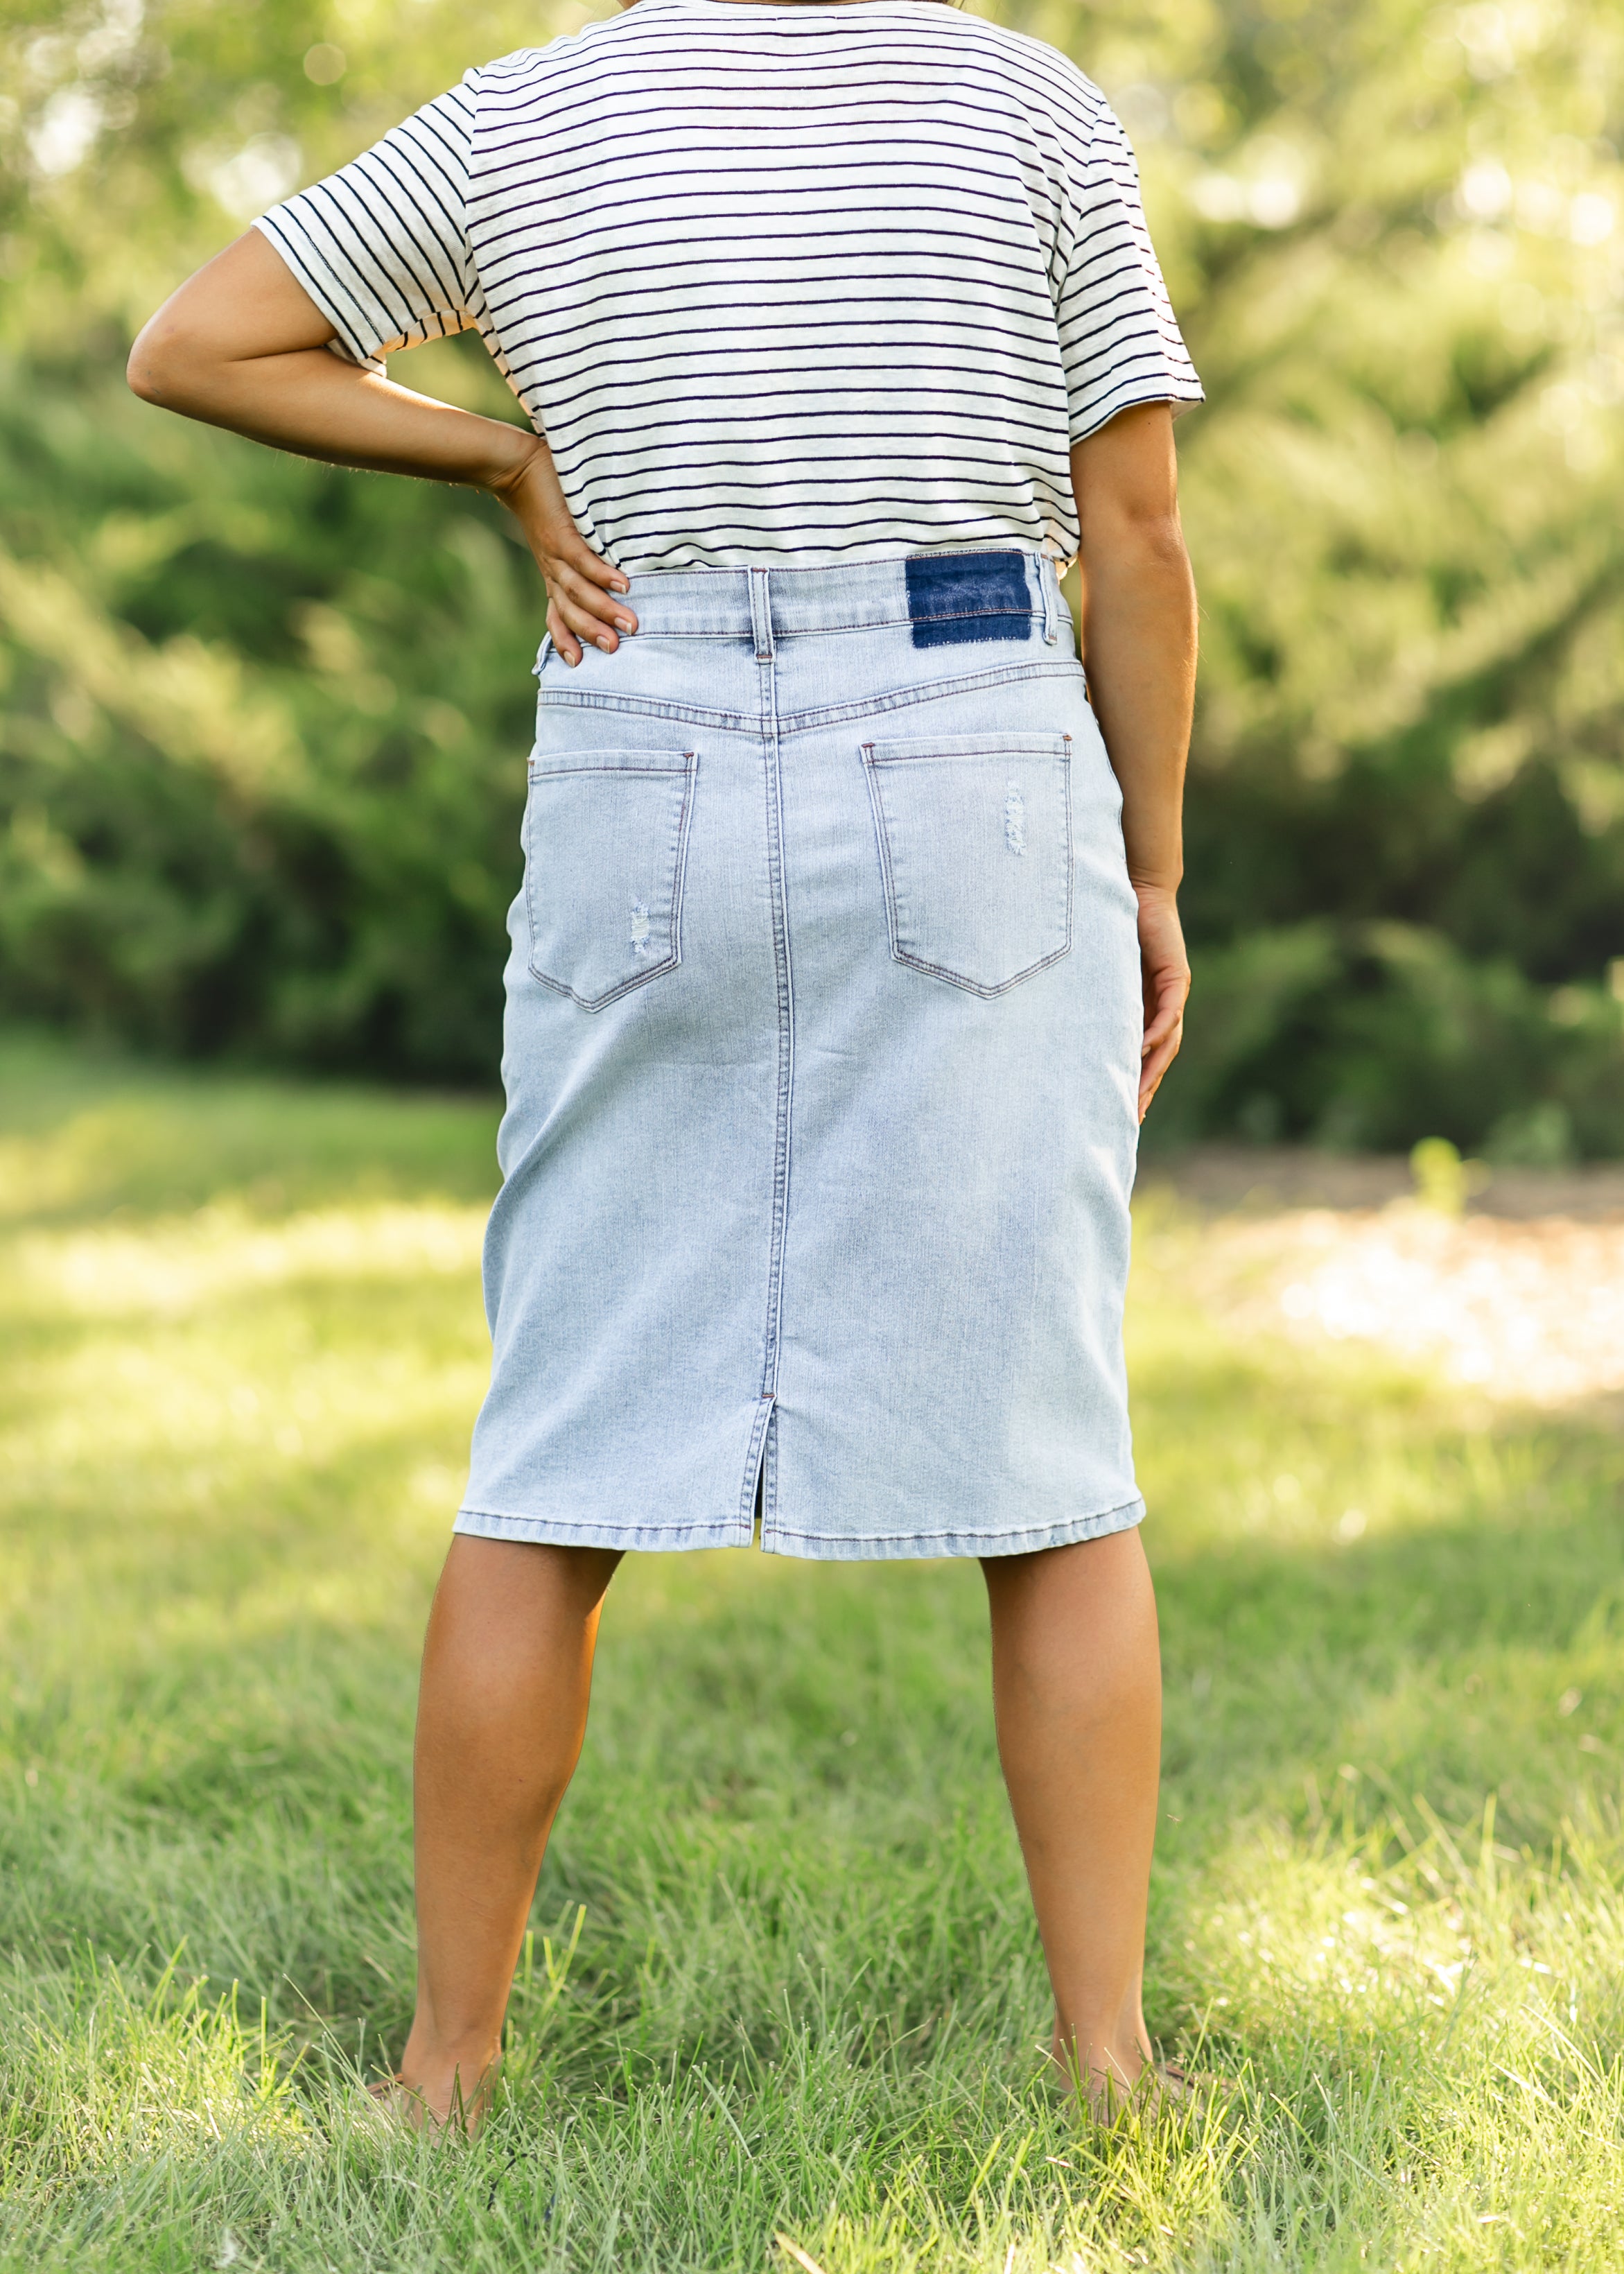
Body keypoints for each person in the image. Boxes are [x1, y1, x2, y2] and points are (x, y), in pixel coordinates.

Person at [128, 0, 1200, 2130]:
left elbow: (199, 343)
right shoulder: (1024, 103)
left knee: (553, 1451)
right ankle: (1106, 2069)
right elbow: (1144, 535)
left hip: (648, 721)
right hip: (976, 726)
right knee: (1052, 1465)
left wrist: (500, 450)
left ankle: (446, 2077)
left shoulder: (537, 112)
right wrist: (1157, 871)